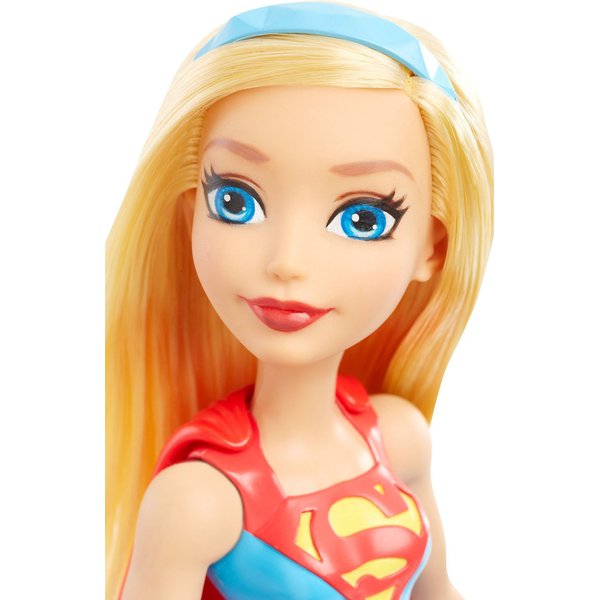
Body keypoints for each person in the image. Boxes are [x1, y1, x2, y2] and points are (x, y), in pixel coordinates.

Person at [106, 3, 493, 599]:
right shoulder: (202, 500)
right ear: (190, 218)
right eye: (235, 202)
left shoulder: (399, 438)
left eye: (363, 218)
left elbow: (439, 592)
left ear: (431, 249)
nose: (287, 260)